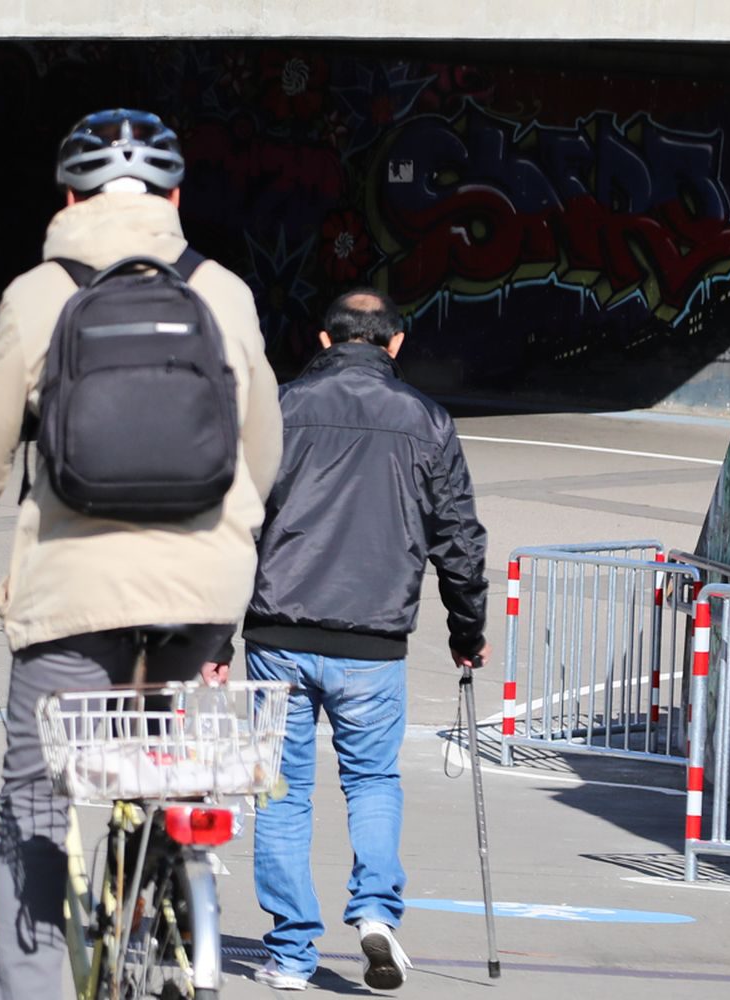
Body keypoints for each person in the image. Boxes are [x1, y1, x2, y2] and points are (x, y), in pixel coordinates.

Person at [0, 108, 282, 999]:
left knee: (37, 802)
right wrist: (231, 549)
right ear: (176, 196)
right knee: (163, 773)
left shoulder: (42, 294)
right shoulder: (224, 293)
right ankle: (164, 902)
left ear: (68, 196)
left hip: (76, 597)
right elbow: (263, 443)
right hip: (203, 596)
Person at [238, 289, 489, 992]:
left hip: (278, 630)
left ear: (324, 341)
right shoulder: (426, 421)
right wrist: (467, 631)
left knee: (281, 792)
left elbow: (237, 518)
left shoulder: (280, 409)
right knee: (372, 779)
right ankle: (375, 912)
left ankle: (291, 955)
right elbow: (459, 539)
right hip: (373, 641)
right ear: (396, 345)